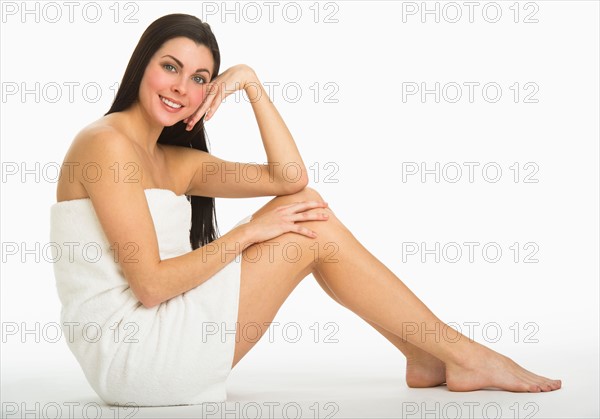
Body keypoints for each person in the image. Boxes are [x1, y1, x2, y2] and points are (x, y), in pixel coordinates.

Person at [51, 13, 561, 407]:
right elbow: (152, 286)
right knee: (309, 228)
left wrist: (251, 83)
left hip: (162, 331)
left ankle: (427, 354)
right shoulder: (105, 145)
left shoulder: (174, 160)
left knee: (304, 209)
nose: (183, 88)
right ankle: (459, 355)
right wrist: (250, 231)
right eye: (170, 67)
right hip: (136, 355)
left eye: (200, 77)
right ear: (142, 63)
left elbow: (290, 179)